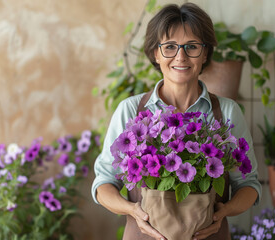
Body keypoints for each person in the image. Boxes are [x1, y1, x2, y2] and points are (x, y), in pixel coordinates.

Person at [91, 3, 261, 240]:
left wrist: (223, 212)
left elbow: (249, 185)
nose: (180, 56)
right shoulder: (130, 110)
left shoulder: (226, 111)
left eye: (191, 47)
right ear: (155, 53)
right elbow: (103, 184)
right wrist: (132, 210)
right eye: (170, 47)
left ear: (204, 54)